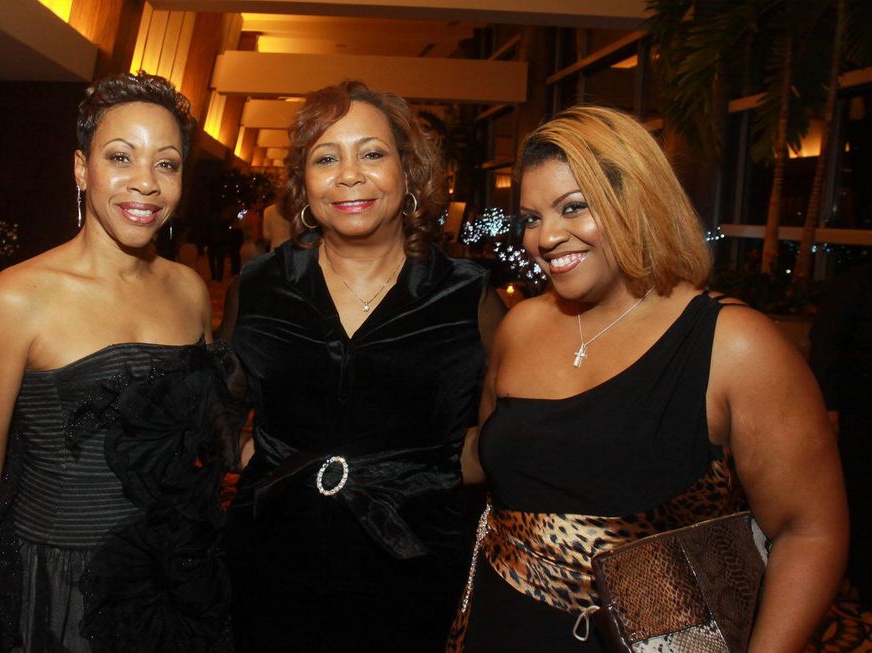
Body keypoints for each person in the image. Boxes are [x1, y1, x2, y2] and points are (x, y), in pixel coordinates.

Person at [448, 106, 848, 652]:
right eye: (533, 218)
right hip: (502, 622)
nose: (546, 238)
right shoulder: (520, 327)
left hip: (661, 639)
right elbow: (484, 457)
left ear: (635, 202)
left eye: (573, 208)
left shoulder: (734, 345)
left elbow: (810, 532)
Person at [0, 72, 244, 653]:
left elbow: (200, 441)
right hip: (66, 591)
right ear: (82, 168)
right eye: (120, 157)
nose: (145, 183)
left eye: (166, 164)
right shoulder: (17, 298)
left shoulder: (189, 290)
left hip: (176, 574)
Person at [219, 80, 505, 652]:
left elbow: (498, 440)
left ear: (408, 172)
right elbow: (219, 409)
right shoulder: (260, 286)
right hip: (273, 563)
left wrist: (418, 477)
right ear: (304, 184)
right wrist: (267, 458)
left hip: (416, 567)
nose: (350, 175)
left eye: (372, 153)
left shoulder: (468, 297)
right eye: (327, 158)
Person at [809, 262, 872, 611]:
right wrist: (829, 409)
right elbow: (825, 349)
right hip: (856, 417)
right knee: (857, 497)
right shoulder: (851, 285)